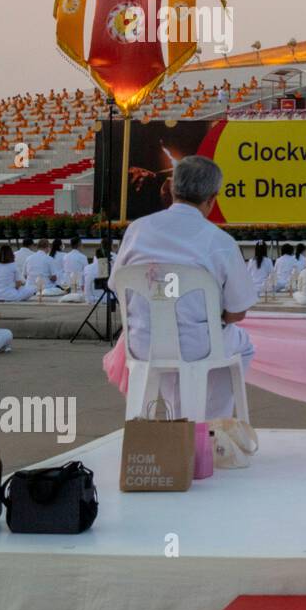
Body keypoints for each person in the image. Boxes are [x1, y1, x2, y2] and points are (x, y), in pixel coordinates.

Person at [111, 155, 257, 419]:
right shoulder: (219, 241)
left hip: (143, 342)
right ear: (212, 199)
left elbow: (117, 286)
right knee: (242, 346)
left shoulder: (137, 230)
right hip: (197, 346)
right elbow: (237, 312)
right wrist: (213, 315)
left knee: (170, 351)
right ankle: (210, 427)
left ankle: (174, 422)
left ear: (172, 189)